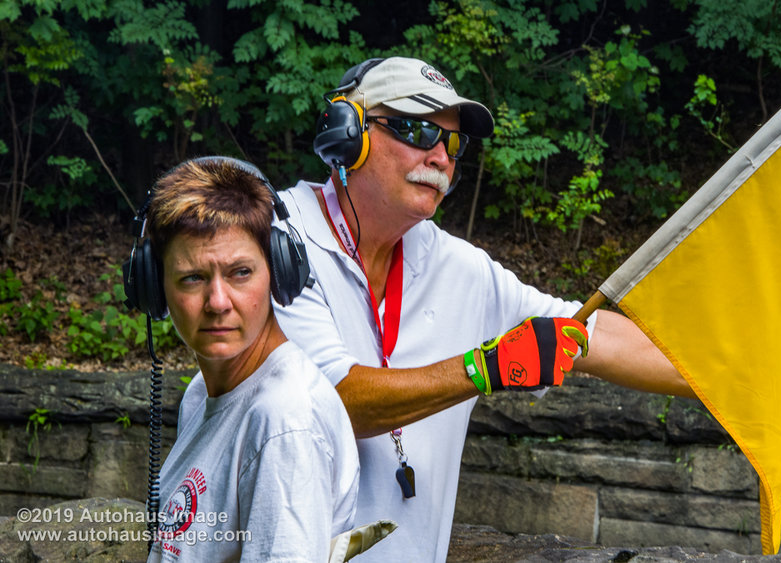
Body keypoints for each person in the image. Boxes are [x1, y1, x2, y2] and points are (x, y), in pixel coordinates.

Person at [272, 57, 696, 561]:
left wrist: (743, 368)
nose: (440, 157)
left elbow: (587, 333)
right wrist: (484, 367)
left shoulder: (459, 267)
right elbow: (329, 404)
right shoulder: (273, 240)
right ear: (347, 132)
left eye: (453, 143)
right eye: (417, 130)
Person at [126, 157, 360, 561]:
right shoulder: (202, 393)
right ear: (155, 289)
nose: (218, 302)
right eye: (192, 278)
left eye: (240, 273)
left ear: (279, 272)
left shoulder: (284, 422)